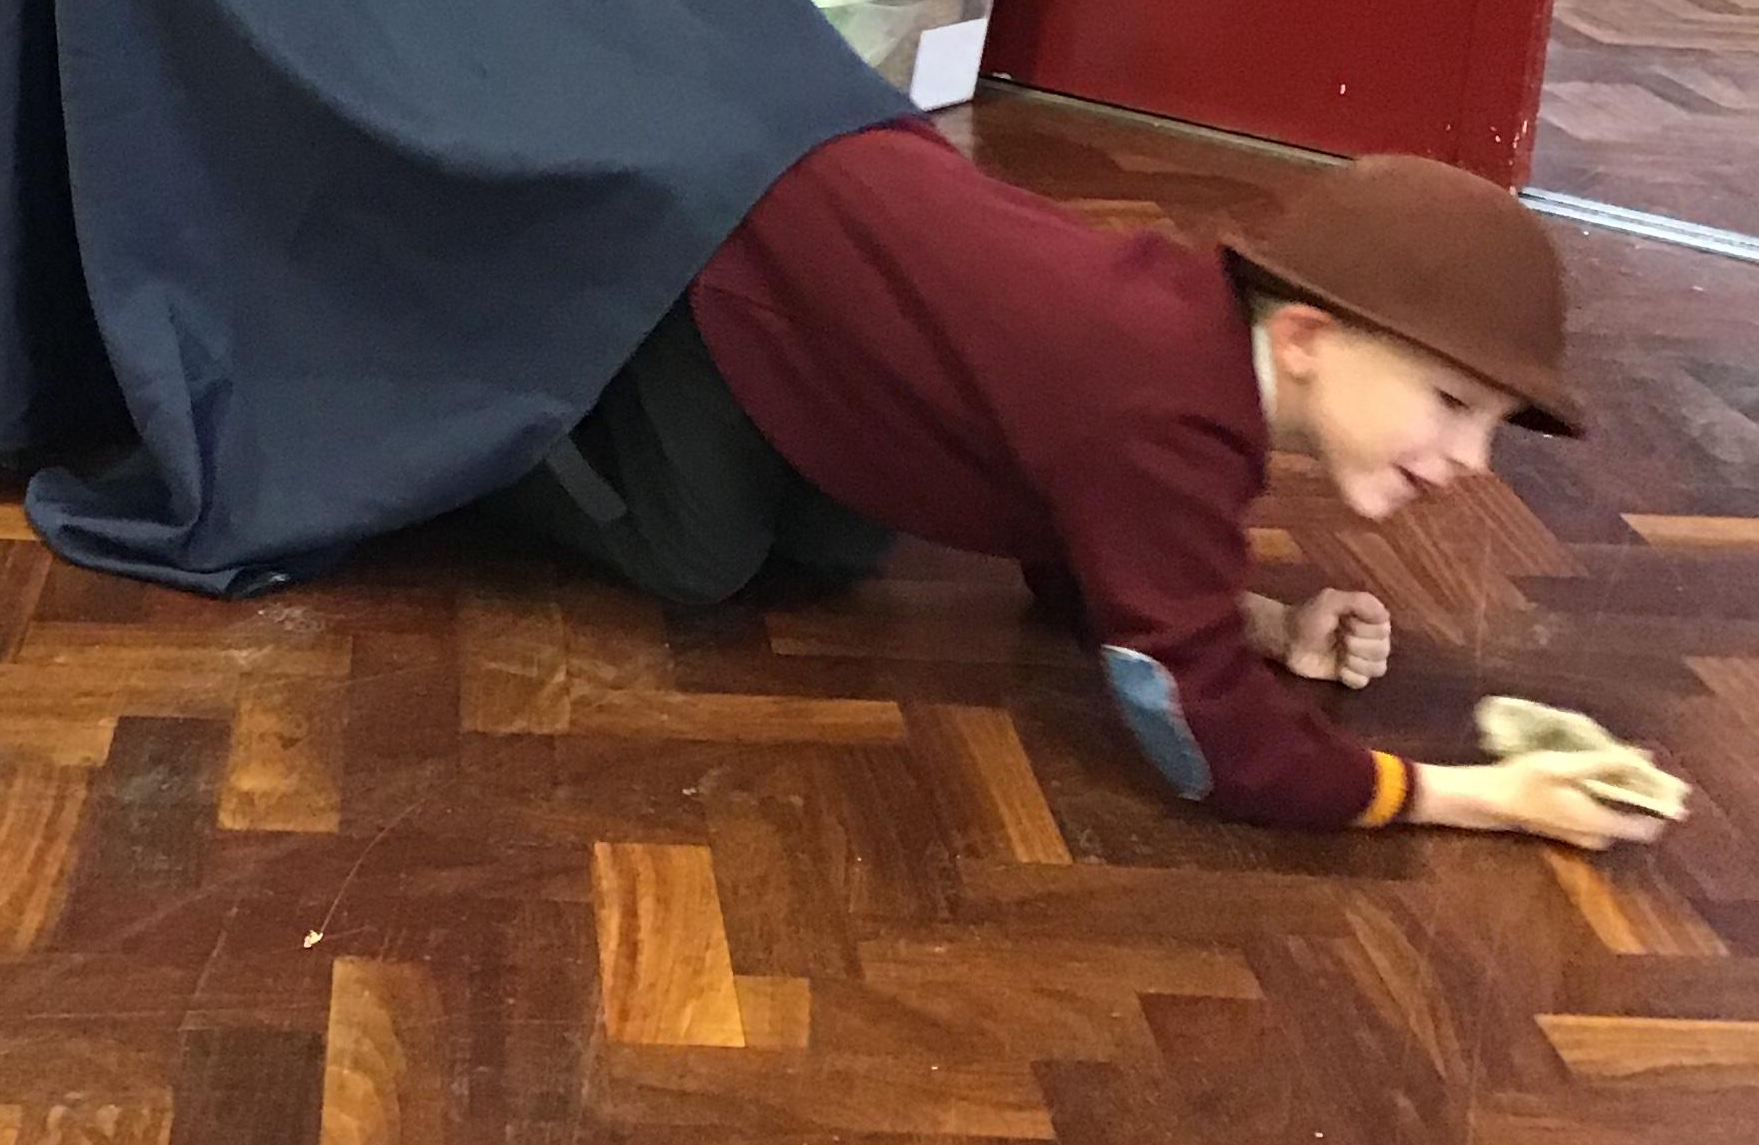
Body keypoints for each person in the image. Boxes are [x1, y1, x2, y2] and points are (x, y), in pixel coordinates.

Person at [488, 133, 1678, 851]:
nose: (1471, 460)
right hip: (735, 256)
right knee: (699, 560)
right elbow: (1208, 747)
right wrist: (1485, 798)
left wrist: (1261, 625)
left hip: (831, 289)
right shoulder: (1171, 417)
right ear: (1307, 338)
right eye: (1452, 404)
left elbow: (1085, 545)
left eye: (1490, 425)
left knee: (835, 556)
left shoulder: (1202, 356)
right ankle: (495, 432)